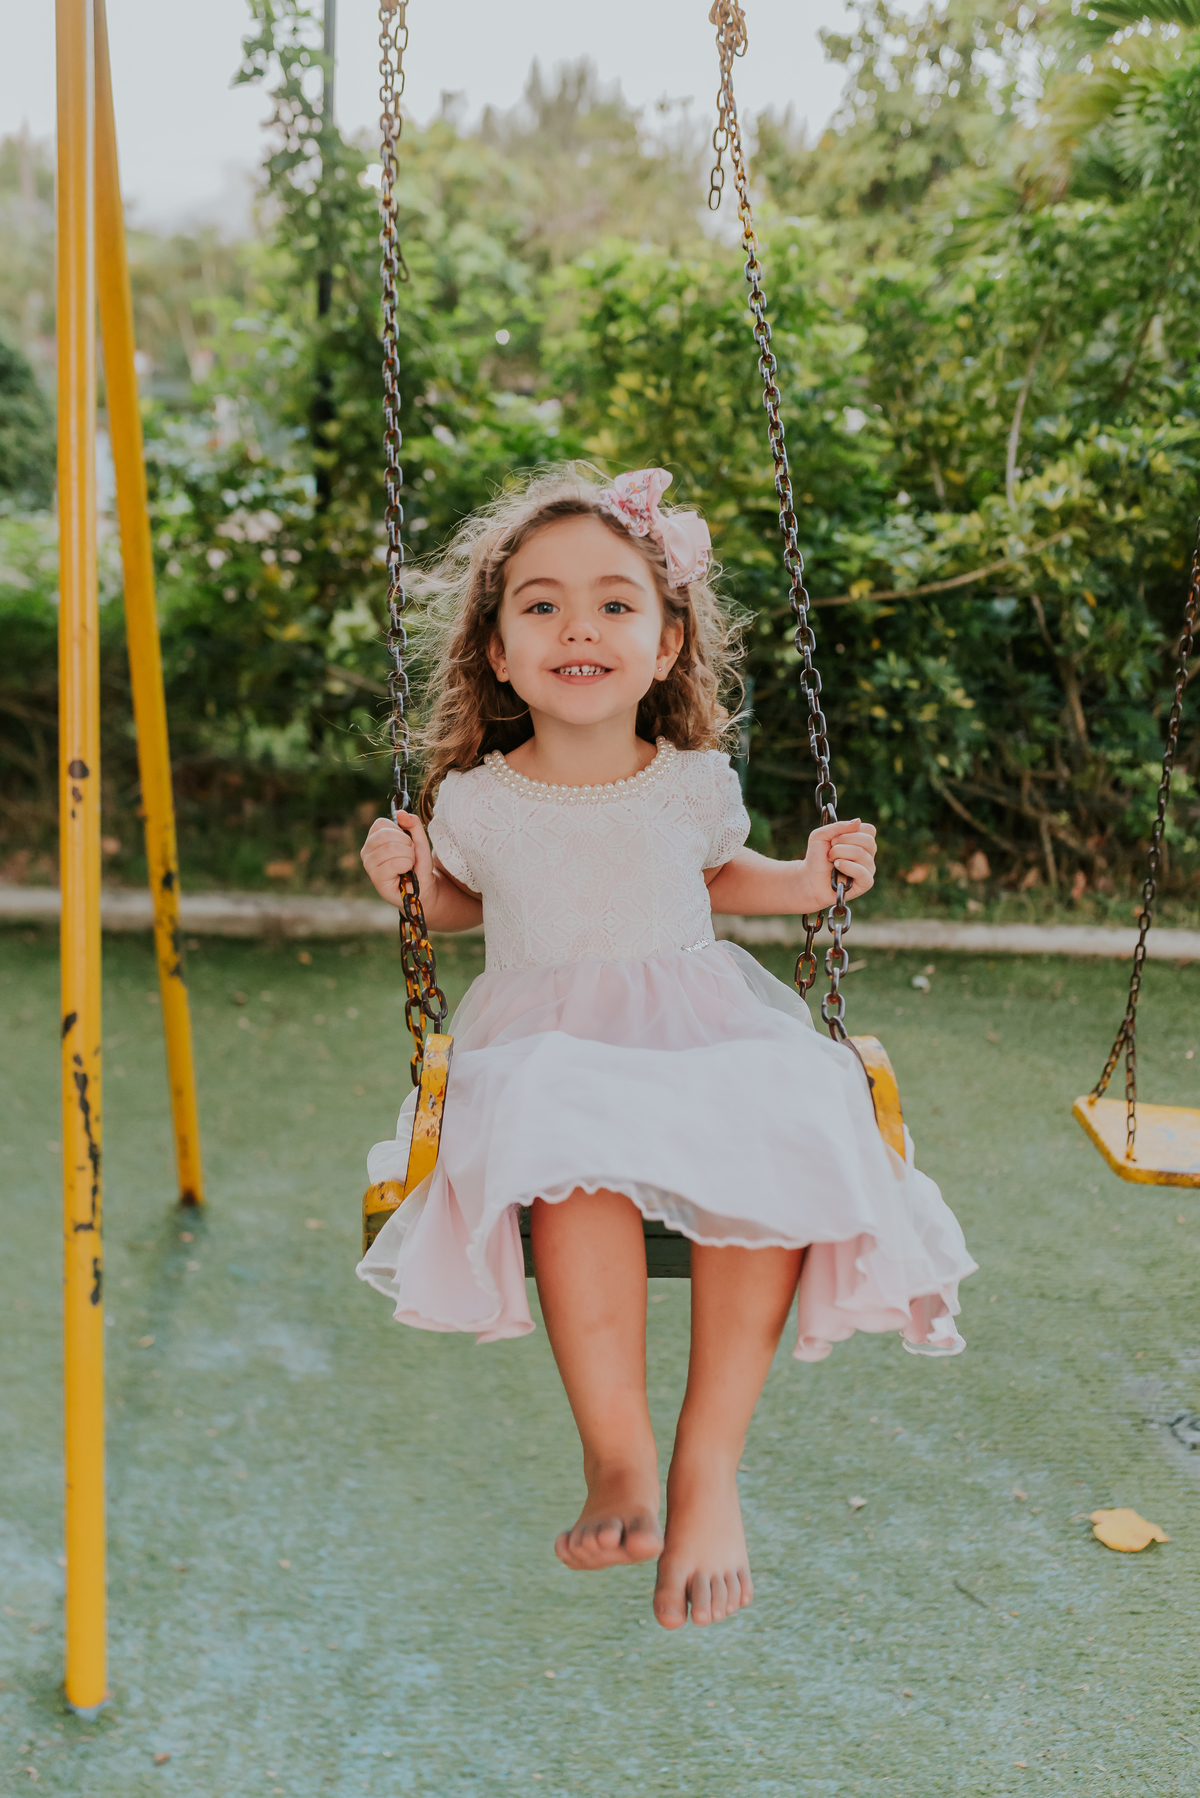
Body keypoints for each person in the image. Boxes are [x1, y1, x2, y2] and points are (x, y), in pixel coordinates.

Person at [357, 467, 976, 1631]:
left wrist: (806, 879)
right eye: (538, 606)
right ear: (495, 652)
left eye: (613, 604)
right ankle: (621, 1455)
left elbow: (712, 877)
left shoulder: (692, 780)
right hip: (547, 1037)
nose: (577, 626)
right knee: (562, 1138)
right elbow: (457, 905)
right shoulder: (478, 801)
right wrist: (407, 877)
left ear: (665, 642)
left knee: (790, 1113)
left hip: (700, 1021)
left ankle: (707, 1466)